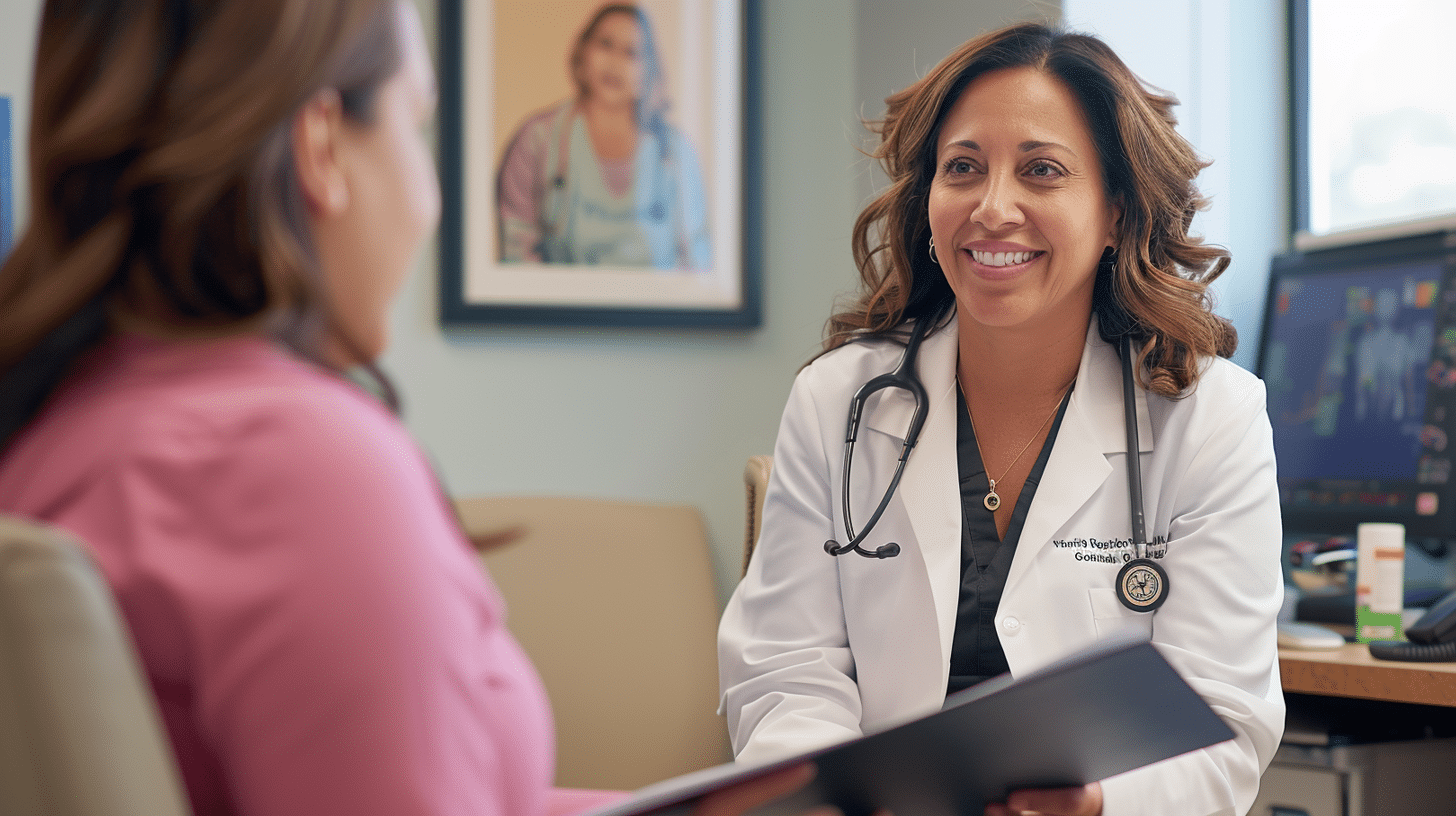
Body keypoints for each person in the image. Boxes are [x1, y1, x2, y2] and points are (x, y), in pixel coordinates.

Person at [0, 2, 807, 815]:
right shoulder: (298, 471)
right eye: (415, 129)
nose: (431, 202)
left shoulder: (51, 430)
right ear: (321, 147)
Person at [717, 22, 1284, 816]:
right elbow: (785, 670)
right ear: (929, 200)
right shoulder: (839, 400)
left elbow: (1223, 718)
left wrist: (1096, 803)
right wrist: (841, 796)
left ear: (1117, 212)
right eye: (964, 169)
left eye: (1042, 170)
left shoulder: (1210, 416)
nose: (992, 207)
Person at [495, 3, 712, 269]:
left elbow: (697, 260)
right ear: (582, 53)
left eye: (632, 53)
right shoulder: (537, 140)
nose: (615, 62)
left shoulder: (676, 153)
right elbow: (517, 250)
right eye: (605, 44)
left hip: (660, 309)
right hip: (557, 309)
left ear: (651, 71)